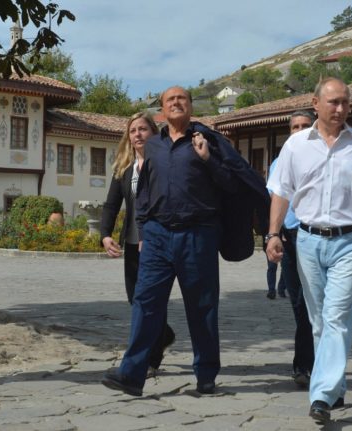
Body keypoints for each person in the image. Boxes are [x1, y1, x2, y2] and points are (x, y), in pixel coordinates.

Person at [102, 86, 269, 397]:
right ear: (162, 111)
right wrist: (143, 228)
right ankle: (131, 374)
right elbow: (146, 191)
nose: (176, 103)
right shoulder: (154, 146)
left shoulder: (207, 141)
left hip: (198, 236)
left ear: (190, 107)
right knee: (145, 304)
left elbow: (233, 183)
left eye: (182, 99)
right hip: (157, 237)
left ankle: (206, 376)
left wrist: (207, 159)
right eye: (170, 100)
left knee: (202, 307)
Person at [266, 78, 352, 424]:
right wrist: (272, 233)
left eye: (345, 102)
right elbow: (281, 192)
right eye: (333, 102)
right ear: (316, 103)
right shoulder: (296, 146)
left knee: (337, 316)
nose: (340, 109)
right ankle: (336, 386)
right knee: (317, 321)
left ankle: (322, 395)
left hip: (351, 241)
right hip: (308, 241)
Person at [100, 112, 175, 376]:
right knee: (137, 300)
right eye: (133, 131)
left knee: (152, 301)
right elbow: (111, 204)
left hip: (156, 243)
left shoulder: (164, 164)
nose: (138, 135)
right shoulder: (124, 168)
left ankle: (151, 359)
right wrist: (105, 234)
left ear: (153, 133)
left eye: (143, 129)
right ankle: (164, 335)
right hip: (132, 245)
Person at [269, 110, 316, 387]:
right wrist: (273, 234)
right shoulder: (279, 162)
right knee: (299, 305)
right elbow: (274, 200)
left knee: (321, 307)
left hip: (320, 237)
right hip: (290, 238)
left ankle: (317, 364)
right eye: (294, 126)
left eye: (305, 126)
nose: (299, 130)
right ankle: (303, 365)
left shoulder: (326, 156)